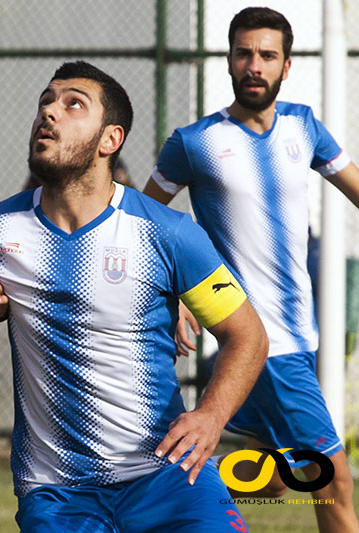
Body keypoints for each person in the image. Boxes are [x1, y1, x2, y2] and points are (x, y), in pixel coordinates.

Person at [0, 60, 269, 532]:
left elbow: (246, 336)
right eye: (46, 101)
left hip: (167, 476)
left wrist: (210, 416)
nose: (49, 112)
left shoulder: (167, 232)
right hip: (57, 492)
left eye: (73, 104)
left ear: (111, 139)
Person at [143, 7, 359, 532]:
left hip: (299, 335)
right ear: (229, 61)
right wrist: (171, 297)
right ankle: (155, 492)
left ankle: (155, 491)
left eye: (267, 55)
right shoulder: (193, 142)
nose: (254, 65)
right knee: (334, 481)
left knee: (281, 475)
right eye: (244, 54)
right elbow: (144, 222)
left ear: (286, 66)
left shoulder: (304, 125)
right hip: (262, 342)